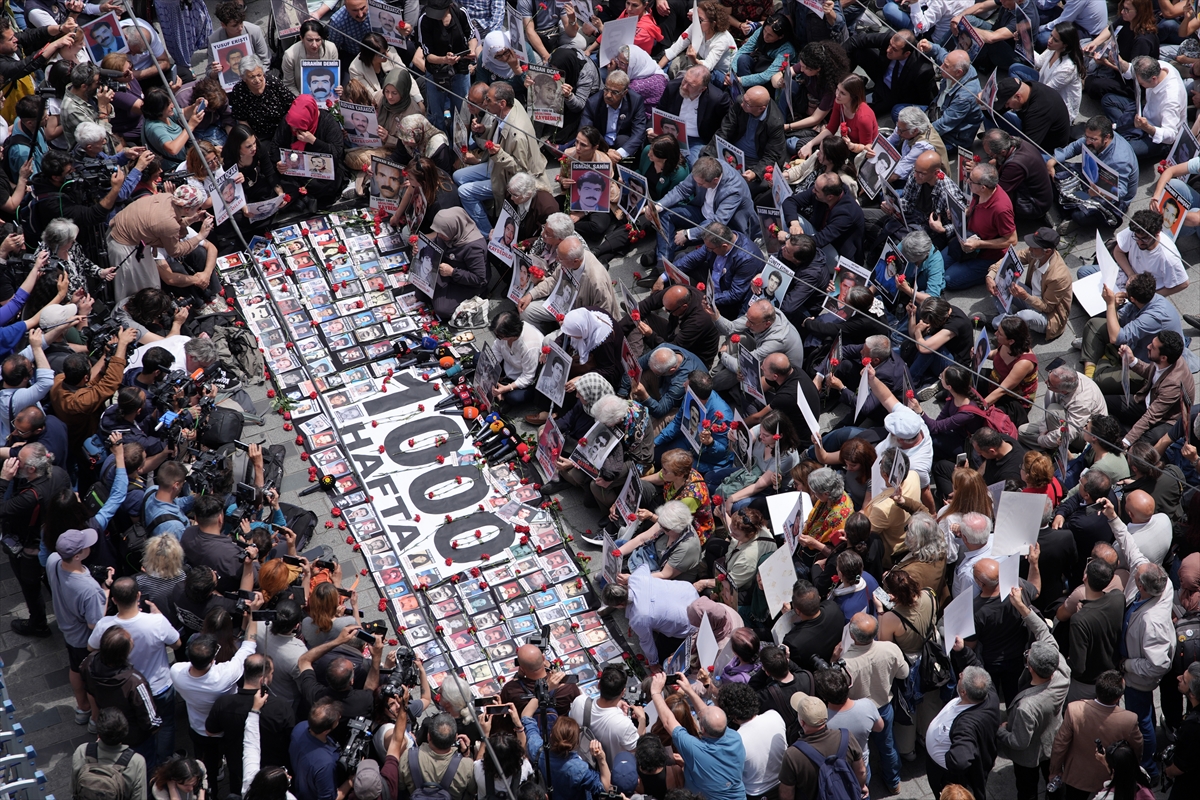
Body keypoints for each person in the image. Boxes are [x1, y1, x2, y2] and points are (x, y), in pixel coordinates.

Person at [1100, 497, 1173, 779]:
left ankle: (1149, 770)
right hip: (1132, 662)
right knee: (1143, 719)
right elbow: (1132, 550)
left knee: (1141, 721)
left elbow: (1158, 665)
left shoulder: (1153, 622)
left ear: (1141, 587)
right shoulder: (1157, 582)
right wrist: (1112, 517)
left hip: (1139, 681)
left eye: (1136, 575)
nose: (1134, 567)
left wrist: (1127, 666)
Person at [453, 82, 546, 236]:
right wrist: (484, 130)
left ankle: (487, 233)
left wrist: (499, 154)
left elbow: (520, 170)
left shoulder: (517, 135)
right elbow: (497, 131)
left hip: (505, 178)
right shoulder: (508, 107)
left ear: (502, 103)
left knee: (464, 192)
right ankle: (483, 208)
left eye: (488, 100)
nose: (484, 104)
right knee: (457, 176)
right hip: (493, 166)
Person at [647, 671, 745, 800]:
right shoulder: (735, 738)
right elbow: (707, 714)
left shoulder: (696, 750)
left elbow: (668, 721)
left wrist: (655, 692)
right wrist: (689, 690)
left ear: (702, 729)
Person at [841, 612, 908, 794]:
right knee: (887, 745)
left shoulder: (845, 663)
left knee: (860, 753)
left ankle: (865, 787)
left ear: (853, 636)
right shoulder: (890, 649)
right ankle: (894, 783)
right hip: (884, 707)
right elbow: (904, 673)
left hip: (857, 713)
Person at [1048, 670, 1143, 797]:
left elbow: (1060, 744)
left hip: (1078, 776)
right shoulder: (1129, 720)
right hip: (1110, 777)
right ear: (1119, 697)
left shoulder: (1074, 709)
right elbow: (1137, 748)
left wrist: (1055, 770)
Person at [653, 155, 758, 264]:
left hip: (722, 225)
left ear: (715, 180)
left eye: (701, 184)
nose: (697, 185)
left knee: (697, 234)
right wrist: (658, 206)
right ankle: (662, 260)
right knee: (664, 212)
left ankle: (662, 251)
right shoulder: (706, 168)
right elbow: (682, 189)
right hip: (702, 212)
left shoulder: (733, 190)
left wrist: (687, 234)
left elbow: (717, 223)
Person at [934, 162, 1017, 291]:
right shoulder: (979, 192)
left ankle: (990, 273)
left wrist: (979, 244)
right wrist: (959, 213)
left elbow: (1012, 240)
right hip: (967, 241)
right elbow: (972, 209)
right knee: (936, 266)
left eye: (971, 180)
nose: (967, 181)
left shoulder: (1001, 209)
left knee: (948, 280)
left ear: (983, 187)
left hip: (987, 255)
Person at [1049, 115, 1139, 231]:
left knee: (1081, 216)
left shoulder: (1119, 160)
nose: (1088, 142)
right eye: (1087, 137)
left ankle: (1072, 210)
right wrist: (1053, 160)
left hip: (1109, 196)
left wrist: (1100, 193)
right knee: (1057, 169)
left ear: (1106, 137)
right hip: (1091, 177)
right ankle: (1074, 204)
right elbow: (1075, 147)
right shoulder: (1094, 138)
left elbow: (1120, 191)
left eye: (1092, 139)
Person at [924, 664, 1000, 800]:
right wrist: (962, 651)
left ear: (964, 692)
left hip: (947, 775)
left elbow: (959, 761)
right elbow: (975, 662)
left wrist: (946, 758)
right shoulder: (988, 692)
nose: (959, 674)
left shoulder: (966, 725)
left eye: (961, 677)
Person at [600, 566, 697, 669]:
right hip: (691, 595)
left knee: (661, 653)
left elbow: (647, 642)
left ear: (619, 605)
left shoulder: (638, 618)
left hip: (691, 624)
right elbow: (643, 567)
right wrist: (629, 578)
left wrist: (653, 663)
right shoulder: (637, 577)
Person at [777, 692, 867, 800]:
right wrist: (861, 786)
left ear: (802, 722)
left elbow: (787, 793)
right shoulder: (846, 737)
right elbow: (861, 770)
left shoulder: (792, 755)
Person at [1111, 332, 1193, 447]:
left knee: (1138, 448)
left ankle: (1124, 443)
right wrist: (1132, 360)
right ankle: (1124, 433)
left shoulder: (1172, 384)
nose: (1148, 346)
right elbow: (1150, 372)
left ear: (1163, 357)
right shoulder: (1165, 360)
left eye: (1153, 347)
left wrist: (1126, 442)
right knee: (1107, 403)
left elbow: (1151, 416)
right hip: (1148, 401)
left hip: (1165, 420)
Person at [1103, 55, 1185, 162]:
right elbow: (1133, 70)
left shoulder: (1170, 99)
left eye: (1141, 83)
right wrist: (1120, 62)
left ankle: (1128, 137)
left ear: (1153, 79)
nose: (1139, 84)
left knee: (1119, 151)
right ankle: (1126, 133)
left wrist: (1147, 127)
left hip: (1156, 135)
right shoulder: (1159, 67)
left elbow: (1170, 136)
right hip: (1143, 113)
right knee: (1108, 100)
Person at [713, 681, 786, 799]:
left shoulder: (736, 740)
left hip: (757, 793)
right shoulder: (774, 715)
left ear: (732, 716)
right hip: (784, 783)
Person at [569, 665, 643, 766]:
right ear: (623, 692)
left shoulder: (579, 702)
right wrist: (642, 720)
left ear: (598, 685)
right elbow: (638, 748)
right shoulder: (624, 724)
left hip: (579, 759)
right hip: (606, 770)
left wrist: (616, 704)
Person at [71, 708, 148, 800]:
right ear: (125, 733)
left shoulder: (82, 751)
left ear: (98, 734)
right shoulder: (136, 762)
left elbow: (73, 789)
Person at [989, 76, 1072, 153]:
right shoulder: (1026, 88)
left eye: (1007, 103)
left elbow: (1027, 149)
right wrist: (985, 102)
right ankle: (991, 145)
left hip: (1046, 150)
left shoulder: (1039, 110)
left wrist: (1003, 152)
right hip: (1029, 130)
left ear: (1018, 97)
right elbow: (993, 113)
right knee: (992, 113)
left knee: (1014, 162)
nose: (1006, 107)